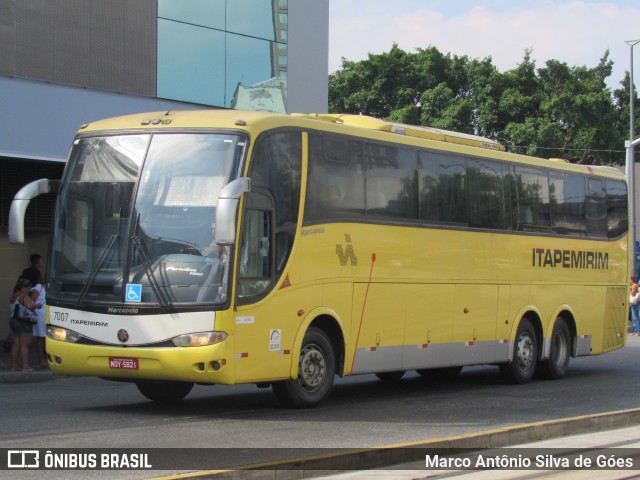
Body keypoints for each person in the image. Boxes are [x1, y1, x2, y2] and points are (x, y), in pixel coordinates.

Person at [9, 278, 39, 372]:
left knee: (16, 343)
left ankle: (13, 366)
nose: (30, 290)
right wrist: (37, 305)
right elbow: (30, 307)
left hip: (13, 320)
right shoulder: (24, 296)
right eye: (29, 288)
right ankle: (25, 366)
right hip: (22, 321)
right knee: (24, 344)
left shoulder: (15, 295)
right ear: (25, 288)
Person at [30, 276, 47, 368]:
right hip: (40, 314)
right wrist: (36, 305)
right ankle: (41, 358)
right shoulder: (38, 287)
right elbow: (31, 301)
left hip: (48, 314)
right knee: (41, 337)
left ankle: (46, 355)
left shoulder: (50, 286)